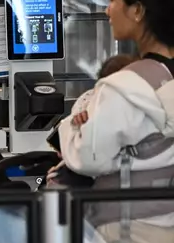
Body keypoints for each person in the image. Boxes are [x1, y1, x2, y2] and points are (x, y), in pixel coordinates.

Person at [58, 0, 174, 243]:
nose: (107, 10)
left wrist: (73, 120)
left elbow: (86, 156)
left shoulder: (123, 87)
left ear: (137, 10)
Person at [46, 53, 137, 188]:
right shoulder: (88, 101)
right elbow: (69, 143)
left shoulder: (141, 106)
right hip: (85, 170)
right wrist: (77, 127)